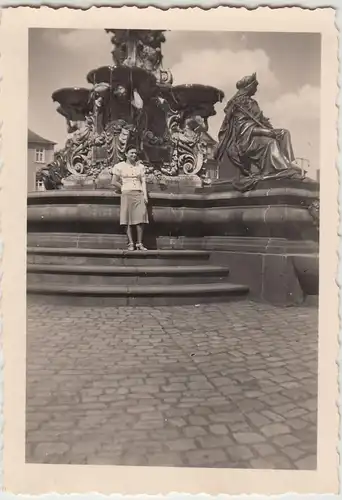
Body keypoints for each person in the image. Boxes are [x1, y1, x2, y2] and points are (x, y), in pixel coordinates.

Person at [215, 73, 303, 189]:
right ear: (248, 87)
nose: (256, 89)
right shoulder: (238, 104)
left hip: (257, 133)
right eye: (255, 86)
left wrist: (271, 130)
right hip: (245, 140)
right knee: (270, 143)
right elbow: (243, 128)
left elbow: (261, 120)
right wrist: (266, 132)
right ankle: (280, 169)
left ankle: (286, 164)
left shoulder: (252, 102)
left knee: (284, 133)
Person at [111, 146, 149, 251]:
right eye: (131, 153)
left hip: (138, 192)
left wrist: (145, 195)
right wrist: (123, 187)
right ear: (126, 154)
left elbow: (143, 182)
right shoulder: (120, 166)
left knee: (140, 218)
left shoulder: (140, 167)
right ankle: (131, 243)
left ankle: (139, 243)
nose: (134, 155)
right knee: (127, 218)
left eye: (135, 153)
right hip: (127, 193)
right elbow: (114, 181)